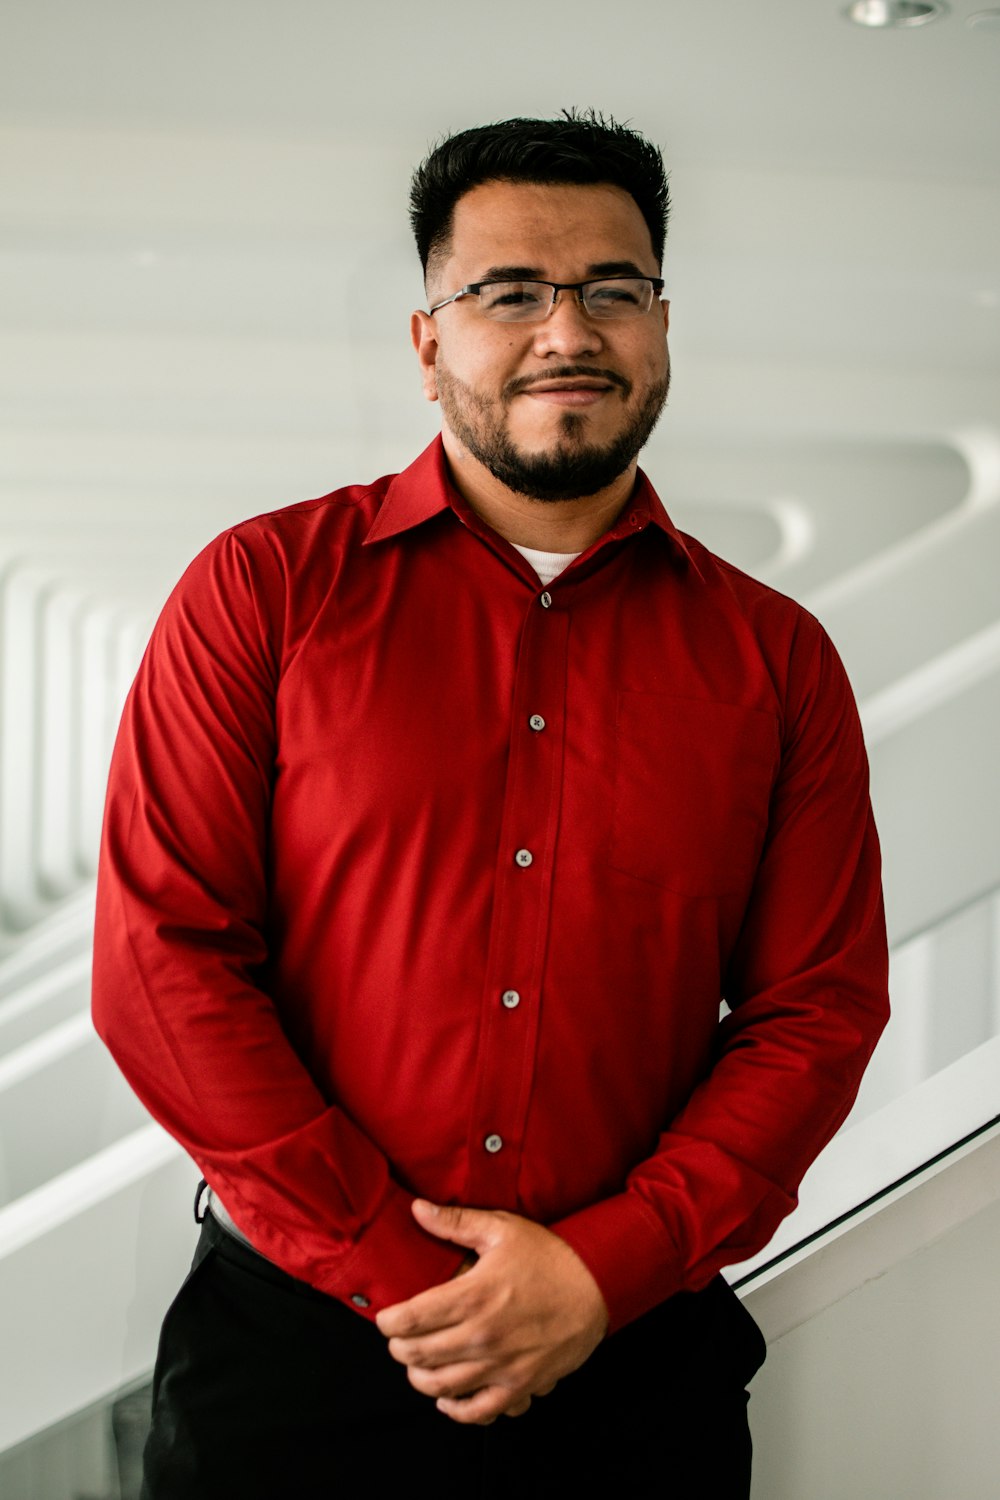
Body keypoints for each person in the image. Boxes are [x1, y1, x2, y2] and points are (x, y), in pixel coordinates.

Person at [92, 110, 890, 1499]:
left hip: (636, 1365)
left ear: (659, 325)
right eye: (508, 292)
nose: (566, 330)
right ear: (427, 343)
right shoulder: (263, 594)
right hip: (300, 1358)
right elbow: (164, 963)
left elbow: (813, 1014)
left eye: (614, 290)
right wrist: (414, 1285)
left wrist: (598, 1272)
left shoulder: (775, 660)